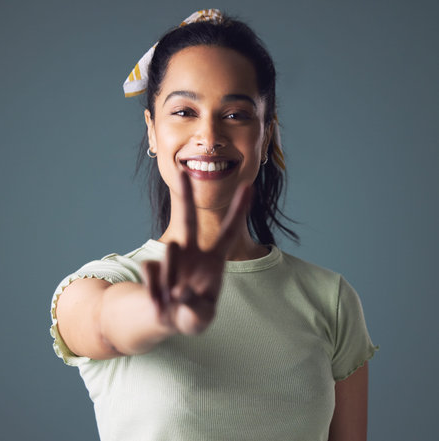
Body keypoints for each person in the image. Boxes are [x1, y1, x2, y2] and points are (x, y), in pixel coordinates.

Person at [50, 9, 378, 441]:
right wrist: (161, 308)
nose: (208, 136)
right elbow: (104, 325)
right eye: (184, 111)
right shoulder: (99, 285)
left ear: (267, 135)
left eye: (236, 115)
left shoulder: (330, 300)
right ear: (152, 131)